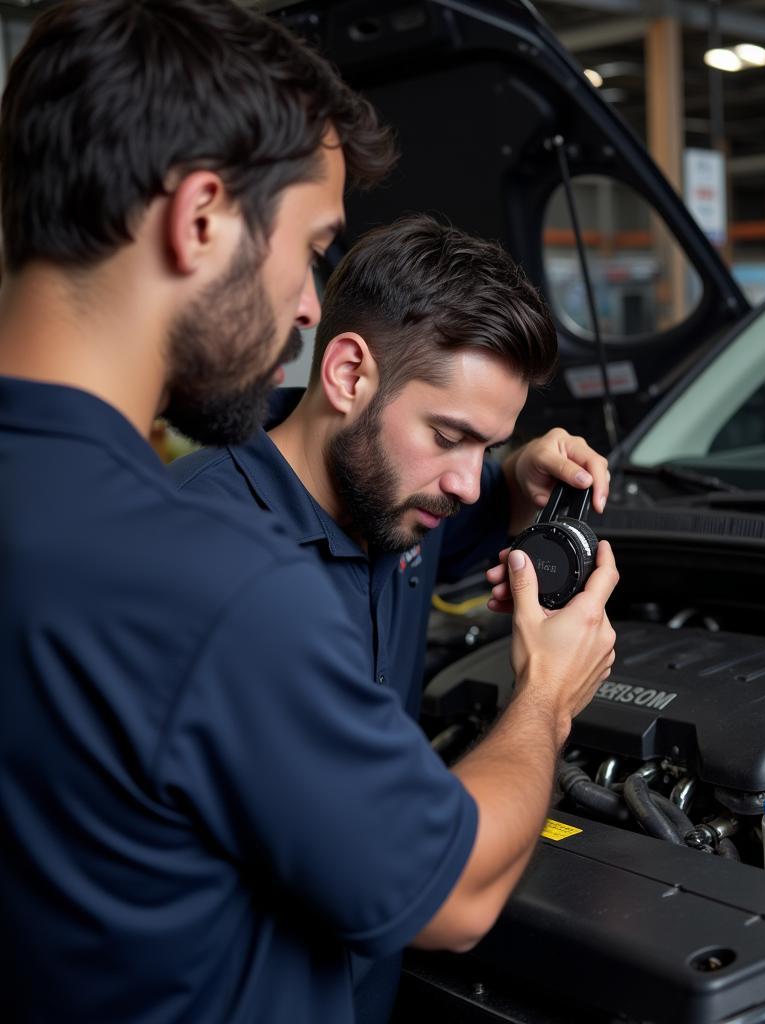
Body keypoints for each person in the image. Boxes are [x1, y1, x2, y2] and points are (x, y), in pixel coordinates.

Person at [0, 3, 618, 1024]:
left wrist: (502, 482)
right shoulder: (209, 577)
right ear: (200, 217)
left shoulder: (63, 516)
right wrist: (547, 694)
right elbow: (455, 893)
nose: (303, 305)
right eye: (311, 246)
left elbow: (391, 530)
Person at [170, 213, 614, 1019]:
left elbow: (453, 523)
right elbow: (438, 896)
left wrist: (517, 474)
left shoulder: (389, 502)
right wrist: (548, 693)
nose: (467, 483)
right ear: (346, 374)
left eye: (488, 447)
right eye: (451, 436)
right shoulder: (212, 562)